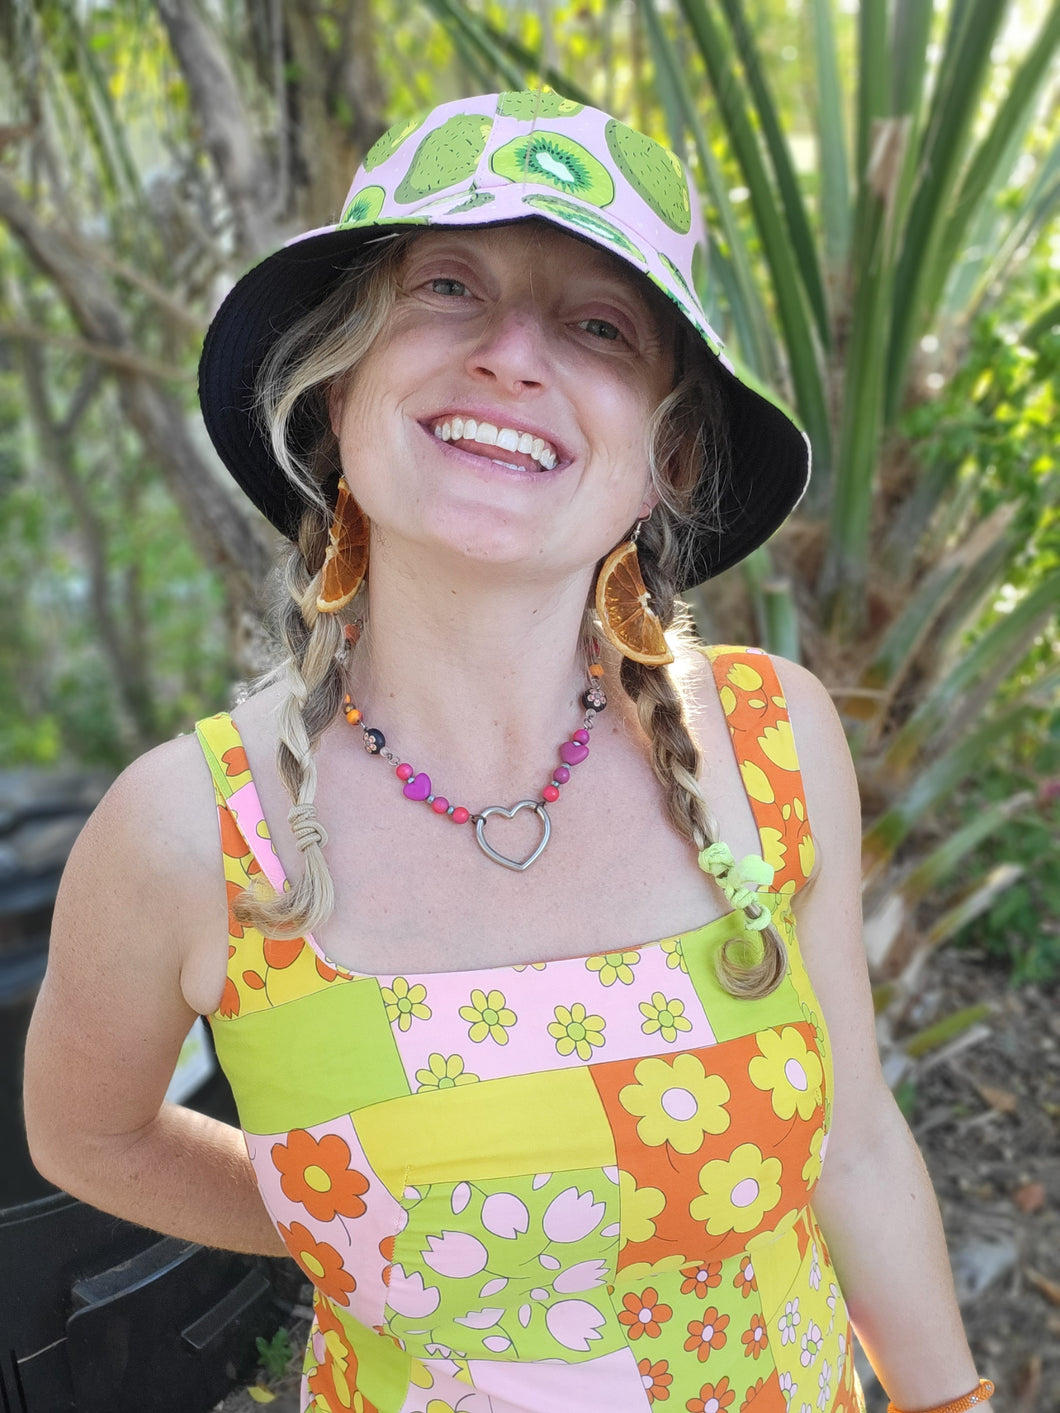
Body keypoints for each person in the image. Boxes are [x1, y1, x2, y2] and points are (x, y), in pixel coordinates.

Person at [24, 92, 994, 1413]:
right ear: (336, 393)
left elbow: (859, 1139)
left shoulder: (771, 740)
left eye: (599, 324)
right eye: (446, 286)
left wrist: (951, 1402)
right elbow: (90, 1135)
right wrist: (354, 1224)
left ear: (669, 457)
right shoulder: (190, 832)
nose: (510, 355)